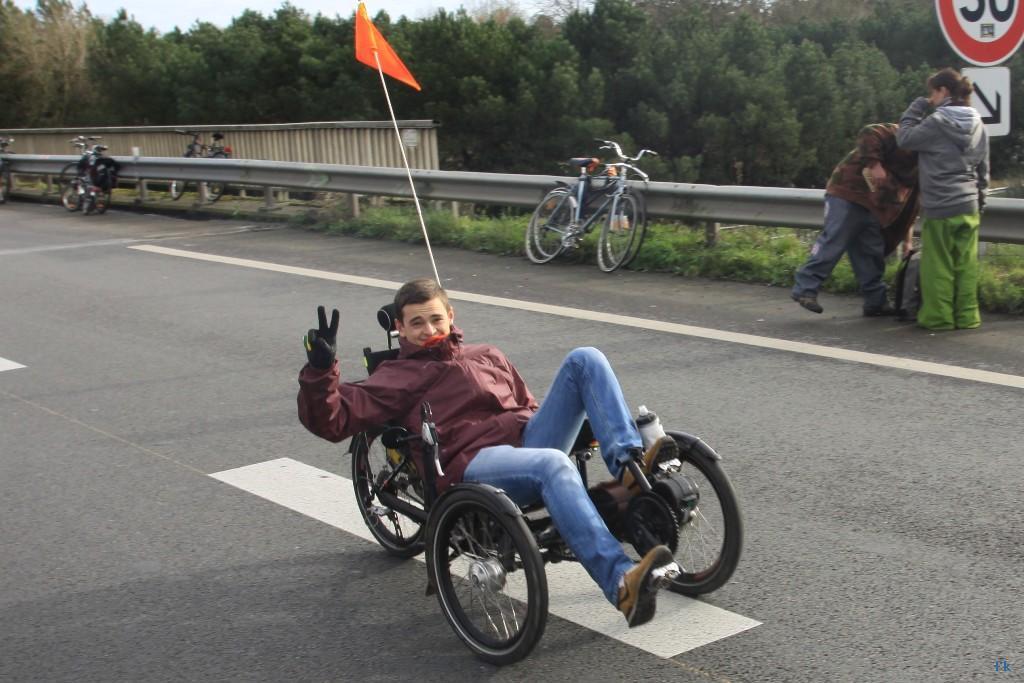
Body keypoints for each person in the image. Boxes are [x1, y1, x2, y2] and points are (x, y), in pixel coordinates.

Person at [297, 278, 681, 627]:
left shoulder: (486, 353)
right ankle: (619, 582)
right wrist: (320, 370)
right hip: (471, 463)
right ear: (400, 328)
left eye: (435, 319)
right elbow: (334, 419)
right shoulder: (395, 378)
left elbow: (525, 402)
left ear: (450, 315)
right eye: (416, 323)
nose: (428, 330)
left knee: (586, 357)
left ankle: (629, 466)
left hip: (524, 439)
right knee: (552, 465)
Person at [791, 123, 920, 316]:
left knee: (870, 252)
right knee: (835, 239)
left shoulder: (925, 165)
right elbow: (870, 132)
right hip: (848, 191)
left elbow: (911, 205)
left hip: (874, 205)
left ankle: (875, 302)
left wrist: (907, 240)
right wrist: (875, 165)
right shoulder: (905, 134)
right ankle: (805, 289)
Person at [896, 68, 989, 331]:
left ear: (943, 92)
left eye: (932, 93)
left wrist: (915, 108)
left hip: (940, 204)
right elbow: (984, 169)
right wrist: (980, 202)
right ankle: (968, 316)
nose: (930, 98)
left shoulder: (936, 123)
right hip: (969, 204)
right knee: (966, 263)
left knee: (938, 265)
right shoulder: (979, 123)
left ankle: (939, 317)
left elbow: (904, 138)